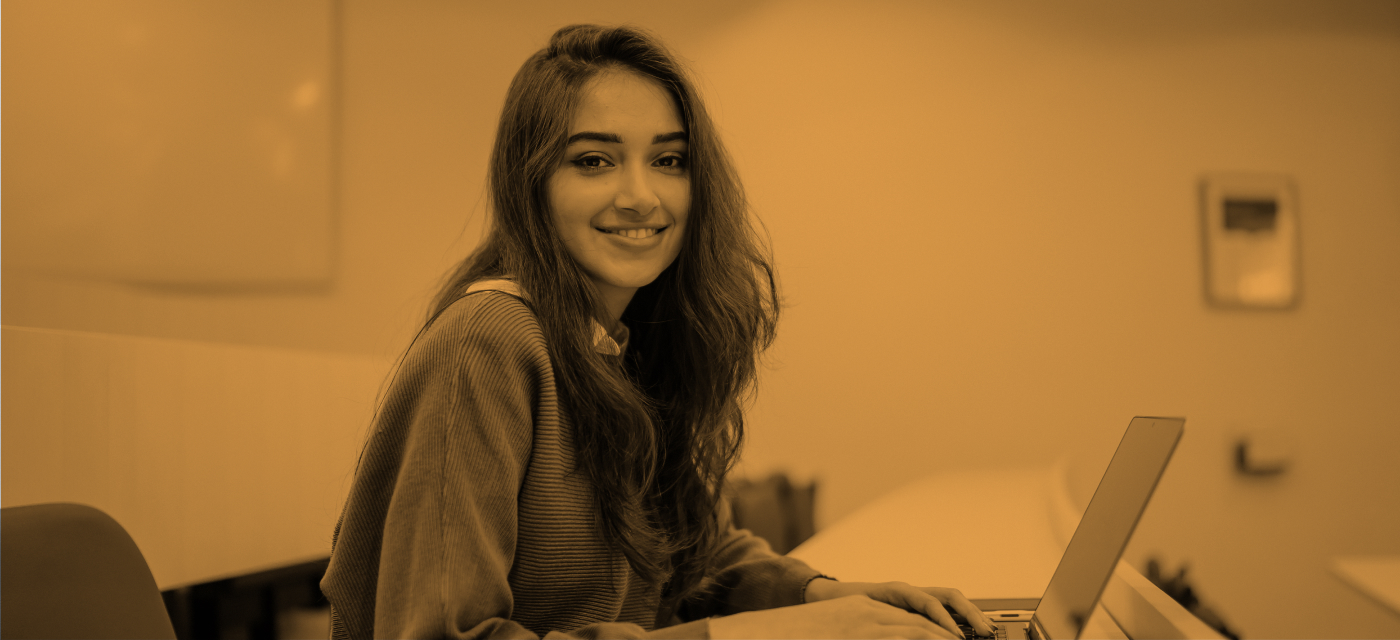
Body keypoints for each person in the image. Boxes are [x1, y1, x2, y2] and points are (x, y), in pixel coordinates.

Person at [321, 24, 997, 640]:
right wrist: (780, 635)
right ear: (532, 183)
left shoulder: (624, 339)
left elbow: (695, 555)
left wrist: (836, 599)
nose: (642, 195)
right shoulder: (488, 343)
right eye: (593, 160)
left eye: (669, 160)